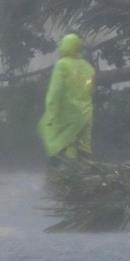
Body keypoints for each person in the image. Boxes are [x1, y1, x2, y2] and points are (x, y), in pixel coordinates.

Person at [37, 34, 95, 165]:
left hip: (68, 113)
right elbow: (90, 90)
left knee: (55, 140)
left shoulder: (62, 65)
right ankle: (85, 175)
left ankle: (59, 176)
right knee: (83, 148)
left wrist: (51, 114)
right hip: (86, 113)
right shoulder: (87, 67)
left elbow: (55, 92)